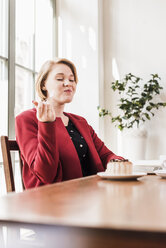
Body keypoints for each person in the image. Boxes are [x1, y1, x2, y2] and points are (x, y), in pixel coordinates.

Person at [15, 58, 123, 189]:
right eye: (60, 79)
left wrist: (117, 162)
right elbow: (45, 174)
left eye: (72, 80)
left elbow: (105, 155)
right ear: (43, 85)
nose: (68, 83)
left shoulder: (80, 122)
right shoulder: (27, 119)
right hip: (50, 200)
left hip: (89, 194)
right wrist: (47, 124)